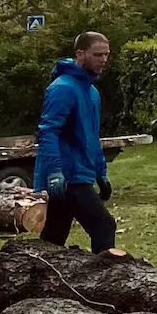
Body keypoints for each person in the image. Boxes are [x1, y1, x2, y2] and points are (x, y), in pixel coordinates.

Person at [35, 31, 116, 251]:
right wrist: (54, 172)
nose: (104, 60)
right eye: (98, 55)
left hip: (82, 172)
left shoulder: (91, 92)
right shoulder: (62, 88)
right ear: (80, 55)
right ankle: (103, 281)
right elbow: (47, 132)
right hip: (69, 176)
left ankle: (38, 276)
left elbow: (92, 136)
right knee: (104, 225)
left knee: (55, 234)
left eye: (106, 55)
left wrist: (101, 172)